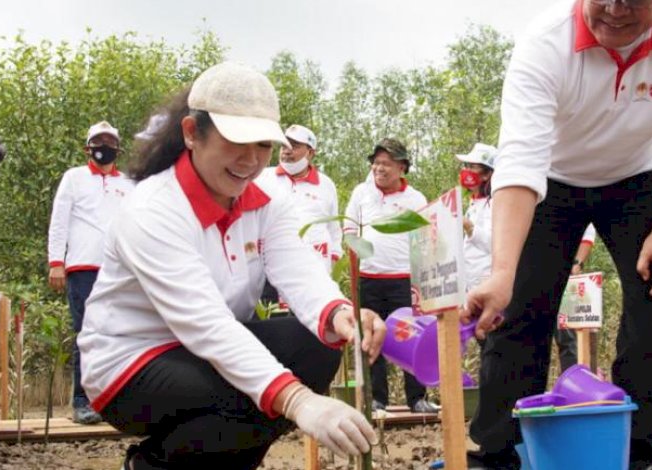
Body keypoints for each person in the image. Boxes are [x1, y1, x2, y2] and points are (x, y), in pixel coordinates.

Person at [461, 0, 652, 467]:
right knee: (518, 308)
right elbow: (521, 160)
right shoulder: (546, 42)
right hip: (550, 180)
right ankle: (498, 454)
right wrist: (502, 272)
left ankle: (640, 450)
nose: (615, 10)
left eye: (633, 0)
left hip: (640, 176)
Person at [77, 62, 385, 469]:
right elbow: (205, 323)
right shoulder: (153, 209)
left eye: (263, 145)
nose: (250, 160)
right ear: (191, 133)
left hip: (207, 353)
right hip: (131, 365)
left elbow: (300, 269)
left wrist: (340, 313)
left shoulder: (266, 200)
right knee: (248, 392)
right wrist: (300, 401)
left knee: (315, 346)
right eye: (236, 141)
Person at [47, 120, 137, 425]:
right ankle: (82, 401)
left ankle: (116, 400)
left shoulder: (129, 183)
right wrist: (56, 261)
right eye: (98, 142)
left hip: (120, 268)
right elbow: (59, 221)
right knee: (87, 334)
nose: (104, 147)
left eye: (109, 142)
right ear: (88, 147)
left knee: (121, 332)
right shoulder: (74, 178)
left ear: (118, 149)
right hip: (83, 266)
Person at [344, 138, 439, 414]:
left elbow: (424, 237)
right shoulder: (362, 193)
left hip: (404, 279)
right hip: (368, 278)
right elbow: (349, 228)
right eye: (376, 163)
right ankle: (377, 400)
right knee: (370, 336)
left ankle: (417, 398)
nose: (379, 168)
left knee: (411, 336)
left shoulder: (415, 198)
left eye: (386, 163)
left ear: (402, 167)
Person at [255, 124, 343, 306]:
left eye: (294, 146)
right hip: (269, 269)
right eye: (284, 145)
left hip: (314, 269)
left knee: (310, 316)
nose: (286, 151)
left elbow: (334, 228)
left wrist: (334, 258)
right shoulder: (262, 178)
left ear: (310, 153)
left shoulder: (326, 185)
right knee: (272, 318)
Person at [556, 224, 598, 373]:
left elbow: (588, 232)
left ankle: (573, 380)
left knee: (567, 338)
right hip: (530, 278)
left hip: (564, 280)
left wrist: (577, 263)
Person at [460, 143, 498, 291]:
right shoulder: (474, 203)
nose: (467, 171)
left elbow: (494, 244)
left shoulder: (494, 203)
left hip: (485, 281)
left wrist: (469, 227)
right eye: (466, 166)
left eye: (472, 167)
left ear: (486, 174)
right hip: (470, 282)